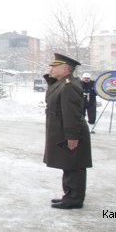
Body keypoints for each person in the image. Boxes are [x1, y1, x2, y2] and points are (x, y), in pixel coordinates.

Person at [43, 53, 92, 210]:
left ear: (65, 69)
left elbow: (71, 114)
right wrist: (51, 78)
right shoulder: (62, 83)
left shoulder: (69, 86)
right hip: (63, 131)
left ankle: (74, 199)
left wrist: (72, 136)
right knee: (68, 164)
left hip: (71, 132)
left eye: (54, 66)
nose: (50, 69)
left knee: (74, 165)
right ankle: (69, 196)